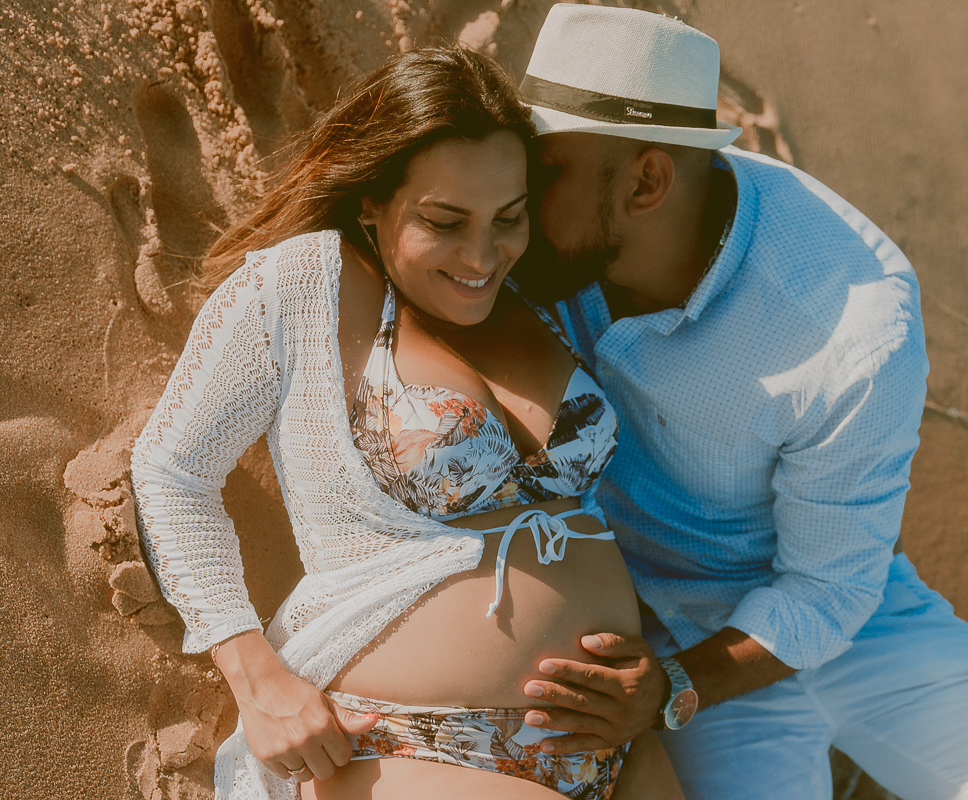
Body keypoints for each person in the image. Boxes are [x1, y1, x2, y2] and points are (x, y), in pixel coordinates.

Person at [505, 5, 968, 800]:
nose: (510, 200)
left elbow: (828, 592)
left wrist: (674, 689)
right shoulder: (529, 244)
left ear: (648, 182)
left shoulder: (852, 317)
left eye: (544, 171)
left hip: (835, 624)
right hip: (652, 629)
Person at [130, 47, 683, 800]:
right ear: (373, 201)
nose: (483, 254)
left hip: (618, 750)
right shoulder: (299, 286)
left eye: (509, 217)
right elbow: (172, 472)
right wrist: (256, 678)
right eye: (444, 221)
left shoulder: (535, 298)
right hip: (409, 743)